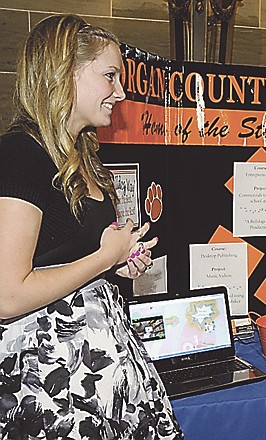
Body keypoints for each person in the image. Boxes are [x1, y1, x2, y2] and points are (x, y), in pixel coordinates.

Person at [0, 15, 183, 439]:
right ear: (64, 72)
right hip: (49, 385)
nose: (120, 91)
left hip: (100, 371)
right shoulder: (20, 156)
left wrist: (115, 264)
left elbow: (63, 257)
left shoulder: (84, 156)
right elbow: (8, 295)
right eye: (110, 75)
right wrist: (104, 256)